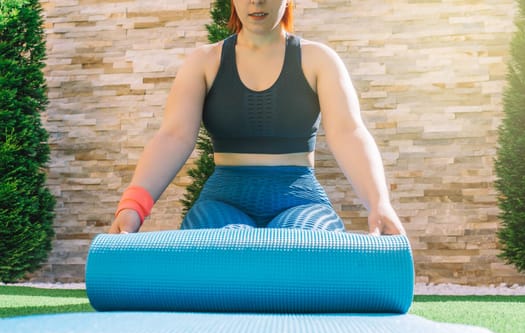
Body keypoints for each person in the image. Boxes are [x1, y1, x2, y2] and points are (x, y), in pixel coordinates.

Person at [109, 0, 405, 235]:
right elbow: (173, 137)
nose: (257, 1)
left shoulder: (318, 60)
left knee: (303, 251)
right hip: (223, 200)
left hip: (300, 199)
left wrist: (379, 204)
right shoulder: (204, 62)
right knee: (223, 253)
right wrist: (133, 206)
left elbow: (348, 132)